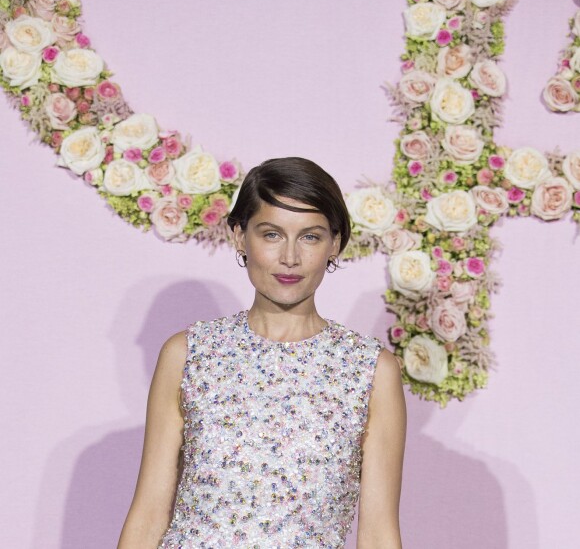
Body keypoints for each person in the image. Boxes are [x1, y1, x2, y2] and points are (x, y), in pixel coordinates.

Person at [118, 157, 406, 548]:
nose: (290, 257)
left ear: (334, 244)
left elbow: (378, 532)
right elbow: (149, 512)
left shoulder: (370, 370)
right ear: (240, 236)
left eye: (310, 236)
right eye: (271, 234)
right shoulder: (189, 354)